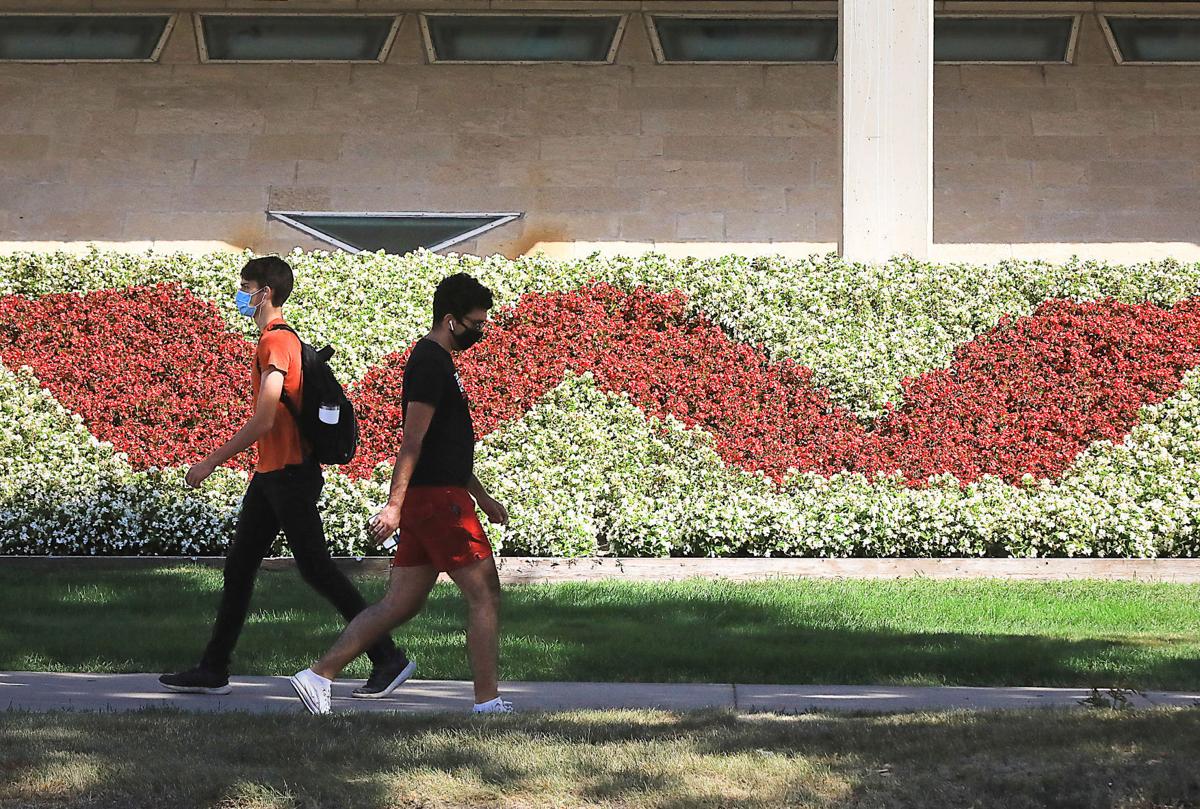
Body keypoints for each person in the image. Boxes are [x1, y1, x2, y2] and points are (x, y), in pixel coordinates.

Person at [159, 255, 413, 698]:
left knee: (318, 570)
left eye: (246, 286)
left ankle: (387, 657)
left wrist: (210, 462)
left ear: (266, 293)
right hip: (272, 475)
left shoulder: (275, 343)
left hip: (289, 475)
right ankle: (214, 667)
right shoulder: (280, 341)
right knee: (240, 568)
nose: (240, 294)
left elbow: (264, 419)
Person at [290, 272, 511, 715]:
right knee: (485, 595)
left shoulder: (439, 361)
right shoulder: (430, 363)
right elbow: (413, 441)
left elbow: (446, 445)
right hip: (438, 503)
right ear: (450, 320)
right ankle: (487, 703)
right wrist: (394, 505)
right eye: (475, 323)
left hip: (438, 496)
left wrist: (482, 497)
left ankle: (318, 675)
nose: (480, 332)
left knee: (400, 603)